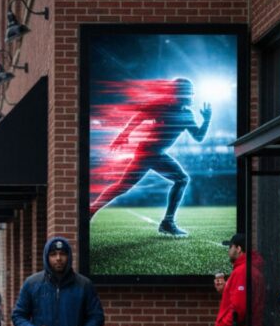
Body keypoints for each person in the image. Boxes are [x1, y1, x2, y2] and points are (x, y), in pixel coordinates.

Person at [90, 77, 212, 237]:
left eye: (191, 93)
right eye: (188, 93)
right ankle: (168, 222)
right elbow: (140, 116)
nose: (191, 96)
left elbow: (198, 137)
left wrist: (207, 119)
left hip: (155, 154)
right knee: (125, 186)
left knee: (125, 185)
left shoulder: (187, 115)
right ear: (179, 93)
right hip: (148, 153)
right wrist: (123, 134)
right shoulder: (164, 107)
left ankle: (167, 222)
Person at [214, 233, 265, 326]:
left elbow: (240, 310)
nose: (228, 251)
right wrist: (225, 289)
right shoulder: (247, 269)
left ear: (238, 248)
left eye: (230, 247)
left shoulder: (242, 271)